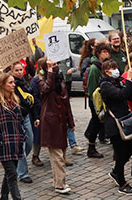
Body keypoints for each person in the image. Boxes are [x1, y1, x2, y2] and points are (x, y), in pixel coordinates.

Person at [100, 60, 132, 195]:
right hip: (114, 124)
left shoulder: (118, 81)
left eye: (116, 67)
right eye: (112, 68)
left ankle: (116, 171)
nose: (116, 70)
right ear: (106, 71)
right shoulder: (105, 85)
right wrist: (128, 83)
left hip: (124, 120)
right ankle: (121, 182)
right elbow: (121, 95)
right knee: (120, 152)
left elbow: (131, 96)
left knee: (129, 150)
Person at [37, 58, 75, 194]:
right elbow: (46, 89)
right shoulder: (41, 80)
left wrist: (71, 122)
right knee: (57, 154)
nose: (55, 66)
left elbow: (67, 102)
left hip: (60, 121)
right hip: (50, 121)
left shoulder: (60, 79)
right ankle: (60, 184)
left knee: (62, 154)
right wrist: (49, 72)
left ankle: (59, 181)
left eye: (55, 64)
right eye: (52, 65)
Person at [0, 73, 25, 200]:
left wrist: (22, 134)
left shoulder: (15, 100)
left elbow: (20, 120)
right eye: (10, 82)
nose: (14, 85)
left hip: (16, 142)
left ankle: (3, 197)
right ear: (2, 85)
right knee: (12, 174)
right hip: (4, 144)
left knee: (9, 173)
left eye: (14, 82)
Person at [10, 62, 38, 184]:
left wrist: (36, 116)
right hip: (15, 118)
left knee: (29, 142)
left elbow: (31, 101)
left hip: (26, 116)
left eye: (21, 69)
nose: (19, 72)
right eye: (16, 70)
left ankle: (17, 161)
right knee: (20, 146)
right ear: (12, 71)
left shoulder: (25, 83)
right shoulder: (10, 84)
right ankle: (23, 173)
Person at [85, 43, 111, 158]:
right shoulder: (95, 68)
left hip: (104, 99)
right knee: (96, 122)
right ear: (98, 53)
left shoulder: (105, 66)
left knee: (100, 123)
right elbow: (92, 88)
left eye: (107, 52)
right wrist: (96, 103)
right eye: (103, 52)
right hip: (96, 101)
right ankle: (91, 147)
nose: (106, 54)